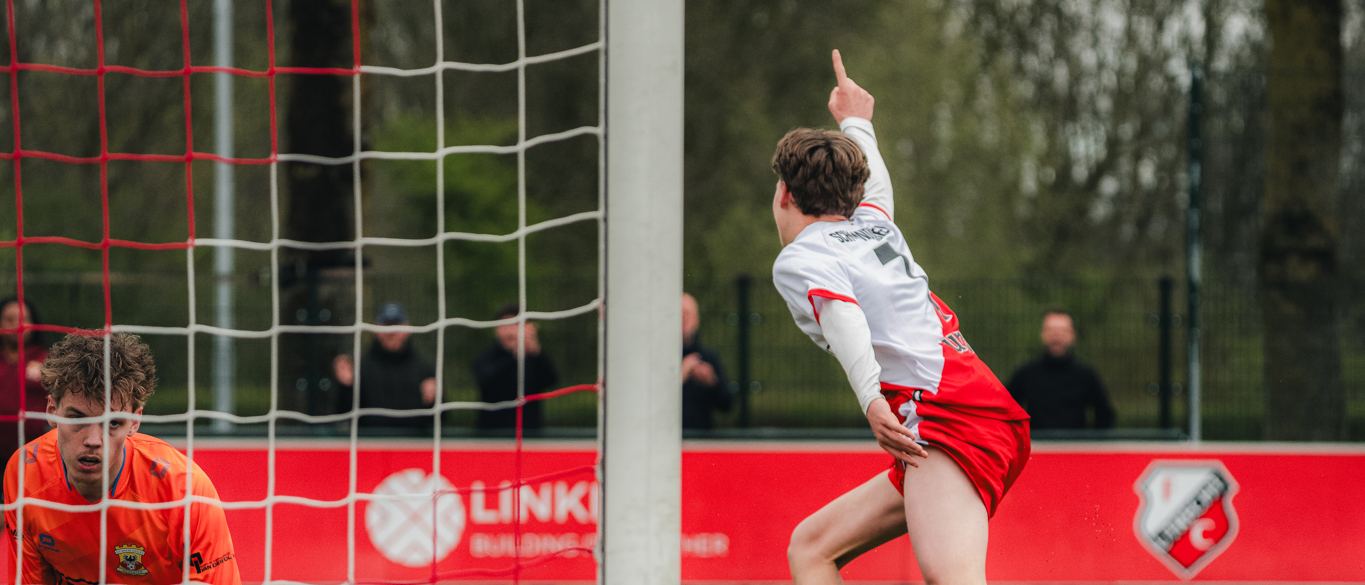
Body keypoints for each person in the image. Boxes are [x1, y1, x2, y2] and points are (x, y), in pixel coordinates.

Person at [775, 51, 1030, 585]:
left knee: (953, 579)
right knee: (812, 547)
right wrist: (856, 121)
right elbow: (877, 185)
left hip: (947, 420)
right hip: (973, 406)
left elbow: (843, 317)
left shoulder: (802, 256)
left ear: (784, 195)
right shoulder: (875, 224)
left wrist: (871, 399)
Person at [4, 332, 239, 584]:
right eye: (77, 418)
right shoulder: (25, 472)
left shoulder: (184, 491)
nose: (93, 440)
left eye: (113, 423)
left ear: (134, 422)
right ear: (52, 411)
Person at [333, 303, 438, 431]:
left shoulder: (424, 367)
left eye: (396, 325)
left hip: (413, 441)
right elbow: (343, 413)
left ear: (407, 328)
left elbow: (442, 416)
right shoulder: (359, 367)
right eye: (386, 325)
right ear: (376, 329)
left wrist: (433, 399)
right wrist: (346, 387)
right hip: (370, 441)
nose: (391, 332)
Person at [1006, 310, 1116, 430]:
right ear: (1043, 334)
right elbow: (1005, 409)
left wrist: (1091, 439)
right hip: (1036, 442)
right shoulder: (1026, 374)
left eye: (1062, 331)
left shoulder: (1086, 375)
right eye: (1051, 330)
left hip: (1075, 441)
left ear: (1072, 335)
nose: (1057, 336)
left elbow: (1104, 413)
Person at [473, 303, 558, 432]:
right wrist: (514, 358)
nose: (510, 331)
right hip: (491, 431)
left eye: (515, 325)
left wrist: (537, 354)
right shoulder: (486, 356)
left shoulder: (535, 357)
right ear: (496, 329)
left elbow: (551, 380)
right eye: (505, 325)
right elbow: (485, 380)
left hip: (530, 431)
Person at [0, 297, 49, 465]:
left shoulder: (47, 361)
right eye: (9, 319)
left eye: (23, 319)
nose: (17, 324)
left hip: (33, 456)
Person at [681, 293, 732, 430]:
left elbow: (726, 405)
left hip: (700, 436)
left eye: (687, 314)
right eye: (679, 314)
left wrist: (712, 384)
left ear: (696, 319)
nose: (683, 319)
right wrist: (680, 377)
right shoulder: (658, 359)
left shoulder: (708, 357)